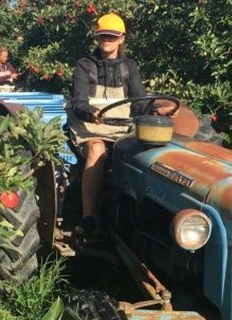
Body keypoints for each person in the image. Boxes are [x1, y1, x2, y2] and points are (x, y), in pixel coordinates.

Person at [68, 13, 174, 243]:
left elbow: (140, 101)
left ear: (121, 39)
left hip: (121, 129)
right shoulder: (84, 66)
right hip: (90, 129)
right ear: (97, 38)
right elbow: (78, 101)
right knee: (97, 150)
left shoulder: (129, 67)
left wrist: (156, 108)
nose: (106, 40)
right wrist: (89, 112)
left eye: (111, 36)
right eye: (102, 36)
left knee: (150, 153)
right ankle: (88, 218)